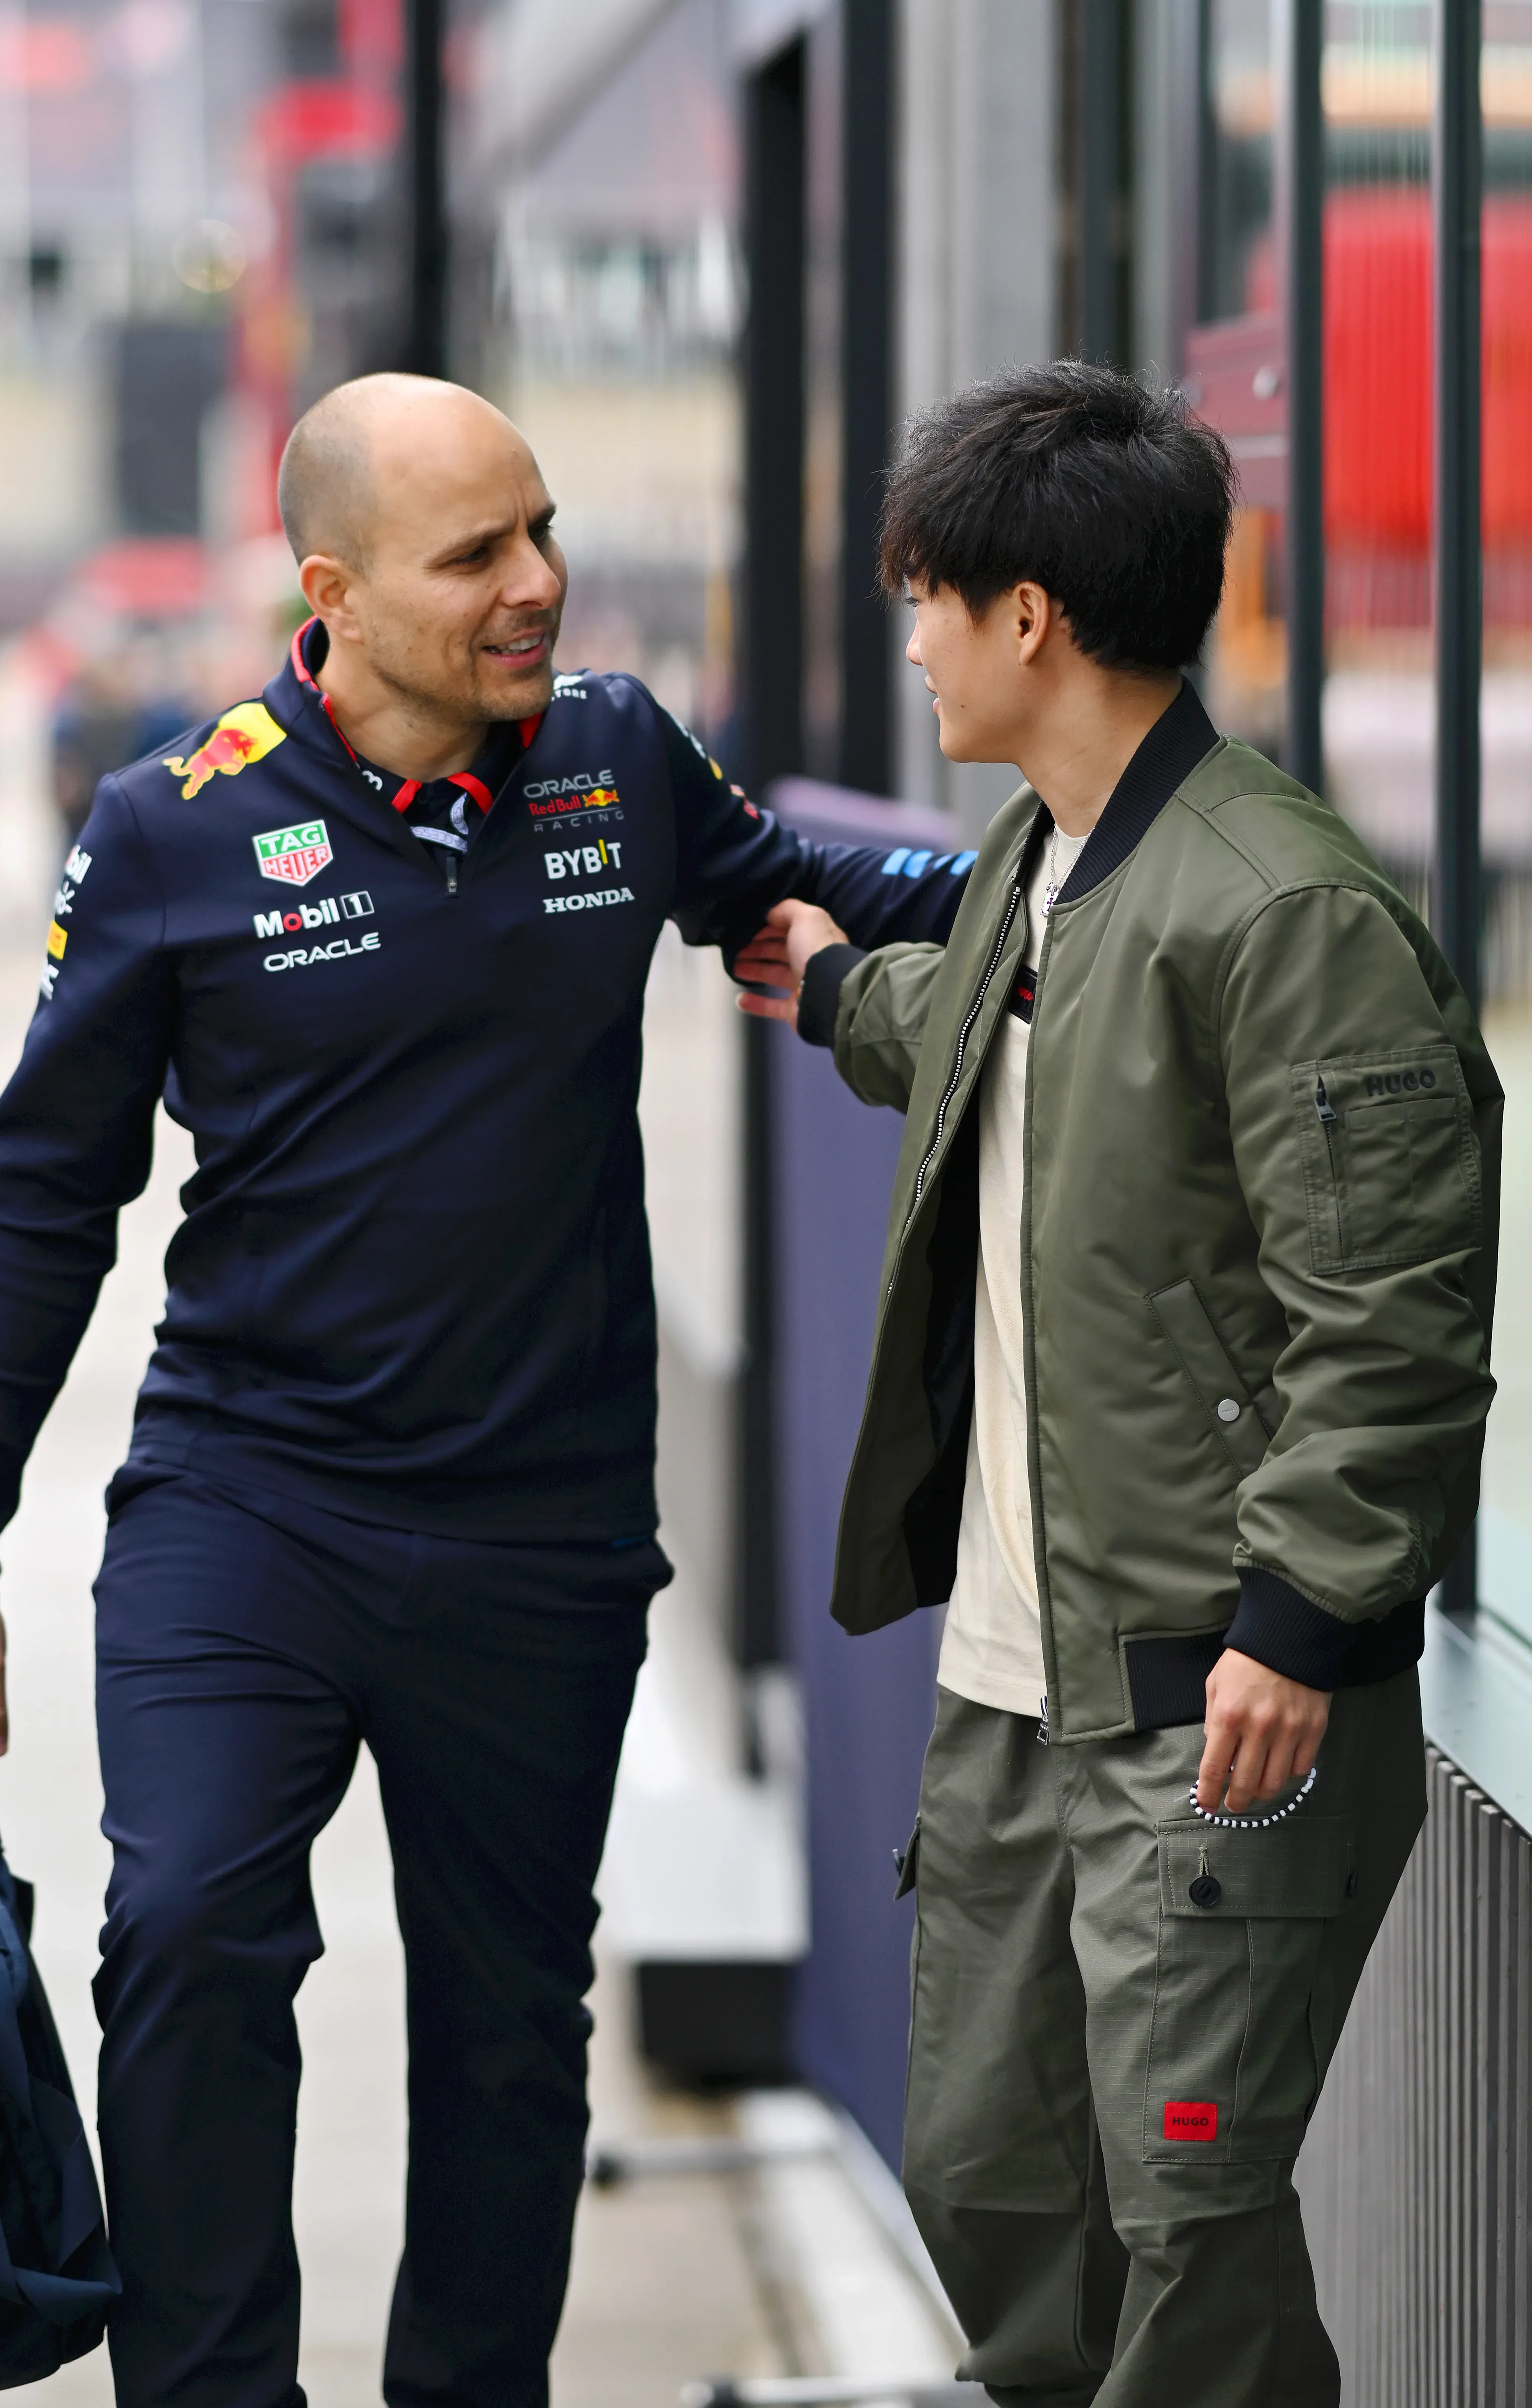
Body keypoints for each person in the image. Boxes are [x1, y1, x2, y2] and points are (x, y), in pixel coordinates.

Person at [0, 372, 972, 2408]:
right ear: (335, 591)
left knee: (504, 2032)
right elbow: (41, 1213)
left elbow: (841, 898)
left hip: (538, 1540)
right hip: (246, 1513)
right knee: (193, 1936)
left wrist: (1099, 873)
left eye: (541, 531)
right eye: (476, 554)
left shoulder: (618, 766)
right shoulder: (170, 830)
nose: (537, 585)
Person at [736, 362, 1500, 2406]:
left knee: (1185, 2245)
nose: (902, 644)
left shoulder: (1282, 907)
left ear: (1023, 618)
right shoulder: (1042, 862)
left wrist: (1300, 1612)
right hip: (1015, 1690)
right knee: (992, 2193)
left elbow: (1395, 1306)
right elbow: (998, 1043)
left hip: (1205, 1700)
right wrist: (822, 987)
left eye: (919, 598)